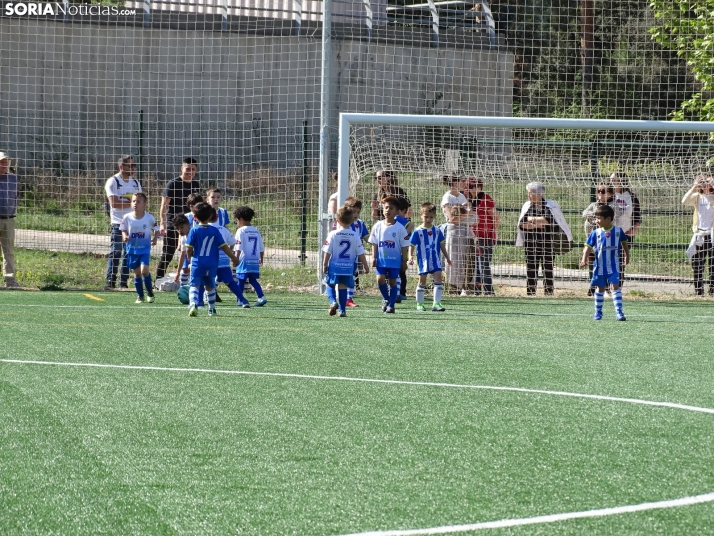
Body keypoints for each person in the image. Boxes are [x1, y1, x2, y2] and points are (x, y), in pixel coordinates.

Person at [515, 182, 572, 296]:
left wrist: (531, 221)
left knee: (548, 269)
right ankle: (530, 293)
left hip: (548, 242)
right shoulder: (527, 206)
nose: (528, 196)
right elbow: (522, 223)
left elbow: (548, 220)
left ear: (539, 194)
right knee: (531, 268)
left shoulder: (550, 205)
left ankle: (548, 292)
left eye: (530, 193)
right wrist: (537, 223)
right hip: (531, 242)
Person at [184, 203, 239, 317]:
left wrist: (190, 260)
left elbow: (188, 249)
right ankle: (212, 309)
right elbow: (224, 246)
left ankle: (193, 304)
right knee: (210, 286)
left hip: (197, 262)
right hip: (212, 263)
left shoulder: (194, 230)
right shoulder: (214, 230)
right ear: (210, 216)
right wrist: (233, 257)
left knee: (194, 285)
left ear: (195, 217)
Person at [579, 205, 630, 321]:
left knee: (615, 287)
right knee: (600, 288)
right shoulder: (595, 233)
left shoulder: (618, 231)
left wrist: (627, 256)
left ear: (608, 219)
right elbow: (587, 247)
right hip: (599, 266)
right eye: (596, 218)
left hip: (614, 265)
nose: (597, 221)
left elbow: (624, 244)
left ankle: (619, 312)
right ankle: (598, 312)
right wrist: (584, 259)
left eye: (599, 218)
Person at [157, 157, 201, 280]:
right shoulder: (173, 183)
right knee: (168, 253)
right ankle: (158, 279)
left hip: (190, 225)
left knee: (191, 252)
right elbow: (164, 205)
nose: (189, 172)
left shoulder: (196, 184)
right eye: (187, 169)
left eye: (192, 169)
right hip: (174, 224)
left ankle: (190, 279)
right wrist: (162, 223)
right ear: (182, 168)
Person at [322, 206, 369, 317]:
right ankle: (342, 310)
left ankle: (333, 302)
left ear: (337, 220)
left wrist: (324, 264)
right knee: (343, 287)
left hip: (335, 266)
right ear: (352, 220)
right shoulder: (355, 235)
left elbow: (327, 251)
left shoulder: (333, 234)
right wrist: (366, 265)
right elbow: (360, 253)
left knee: (330, 284)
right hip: (348, 267)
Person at [104, 155, 142, 290]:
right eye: (130, 165)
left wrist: (133, 203)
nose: (133, 168)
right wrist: (130, 202)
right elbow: (113, 203)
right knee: (116, 251)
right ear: (121, 167)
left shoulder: (136, 183)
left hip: (133, 224)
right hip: (118, 223)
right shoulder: (113, 182)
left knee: (129, 253)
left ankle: (123, 282)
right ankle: (110, 281)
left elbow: (141, 203)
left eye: (134, 165)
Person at [368, 196, 410, 314]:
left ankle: (391, 305)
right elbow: (374, 243)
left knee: (392, 282)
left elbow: (404, 246)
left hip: (394, 260)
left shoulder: (400, 228)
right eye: (386, 208)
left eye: (391, 208)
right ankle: (386, 299)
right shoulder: (377, 226)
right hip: (381, 259)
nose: (387, 210)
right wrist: (374, 257)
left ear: (397, 211)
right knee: (380, 279)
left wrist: (404, 261)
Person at [409, 203, 452, 312]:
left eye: (431, 217)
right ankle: (420, 304)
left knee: (438, 279)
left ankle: (436, 303)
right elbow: (412, 245)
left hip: (435, 260)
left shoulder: (437, 231)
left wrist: (447, 257)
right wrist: (410, 256)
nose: (428, 219)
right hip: (423, 261)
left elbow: (442, 245)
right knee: (422, 281)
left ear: (435, 216)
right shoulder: (417, 231)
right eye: (426, 217)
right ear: (421, 215)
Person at [119, 193, 158, 303]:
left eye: (138, 201)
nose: (135, 203)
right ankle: (140, 295)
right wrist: (125, 236)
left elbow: (157, 228)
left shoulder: (149, 217)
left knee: (144, 271)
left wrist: (155, 238)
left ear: (144, 204)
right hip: (132, 249)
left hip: (144, 249)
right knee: (137, 274)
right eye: (134, 201)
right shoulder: (127, 217)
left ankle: (150, 292)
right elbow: (123, 228)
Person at [582, 184, 619, 295]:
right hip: (593, 239)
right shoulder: (594, 205)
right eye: (599, 191)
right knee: (593, 263)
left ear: (611, 193)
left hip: (606, 240)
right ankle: (594, 287)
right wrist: (597, 217)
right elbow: (585, 214)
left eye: (604, 192)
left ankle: (606, 288)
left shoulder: (613, 206)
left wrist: (597, 218)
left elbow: (613, 219)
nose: (600, 194)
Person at [465, 177, 499, 295]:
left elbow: (495, 218)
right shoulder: (469, 200)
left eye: (477, 187)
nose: (474, 189)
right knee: (475, 266)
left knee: (484, 265)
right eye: (471, 187)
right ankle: (477, 290)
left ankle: (489, 291)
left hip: (485, 237)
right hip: (472, 237)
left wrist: (492, 233)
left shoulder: (486, 199)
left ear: (480, 187)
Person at [682, 174, 714, 296]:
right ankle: (698, 291)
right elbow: (684, 201)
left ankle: (712, 291)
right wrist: (694, 186)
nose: (705, 184)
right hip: (700, 233)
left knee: (712, 265)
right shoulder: (697, 197)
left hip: (712, 234)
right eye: (703, 182)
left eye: (707, 182)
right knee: (697, 264)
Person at [233, 205, 268, 308]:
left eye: (237, 220)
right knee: (253, 280)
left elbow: (238, 246)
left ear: (241, 219)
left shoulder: (241, 231)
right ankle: (261, 297)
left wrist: (236, 258)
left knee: (241, 280)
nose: (237, 223)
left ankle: (240, 299)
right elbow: (261, 247)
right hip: (254, 260)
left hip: (243, 260)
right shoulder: (256, 230)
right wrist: (261, 259)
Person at [611, 171, 641, 287]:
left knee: (621, 262)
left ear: (622, 181)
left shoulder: (631, 197)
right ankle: (608, 287)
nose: (612, 182)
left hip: (625, 234)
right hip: (610, 233)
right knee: (609, 260)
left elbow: (638, 215)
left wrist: (634, 229)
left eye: (615, 179)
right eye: (611, 180)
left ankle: (617, 287)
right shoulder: (609, 194)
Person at [343, 196, 370, 307]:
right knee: (341, 277)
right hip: (341, 257)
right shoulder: (343, 223)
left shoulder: (360, 224)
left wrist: (376, 242)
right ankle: (337, 295)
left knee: (352, 276)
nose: (355, 214)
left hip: (354, 258)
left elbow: (367, 237)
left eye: (357, 212)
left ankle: (349, 299)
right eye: (353, 211)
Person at [444, 205, 477, 295]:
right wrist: (467, 214)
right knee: (454, 266)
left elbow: (476, 220)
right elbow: (452, 219)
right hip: (454, 244)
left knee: (468, 265)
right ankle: (454, 288)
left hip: (466, 242)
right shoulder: (451, 222)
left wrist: (464, 215)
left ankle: (466, 288)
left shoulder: (467, 218)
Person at [0, 152, 19, 288]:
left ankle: (10, 281)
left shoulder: (13, 179)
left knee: (9, 251)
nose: (5, 164)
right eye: (2, 161)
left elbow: (16, 197)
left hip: (9, 220)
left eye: (7, 162)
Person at [395, 197, 414, 302]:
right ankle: (401, 293)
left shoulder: (396, 219)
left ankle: (398, 292)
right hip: (403, 250)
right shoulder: (400, 219)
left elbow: (411, 225)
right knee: (402, 272)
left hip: (395, 250)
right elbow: (411, 225)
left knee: (396, 272)